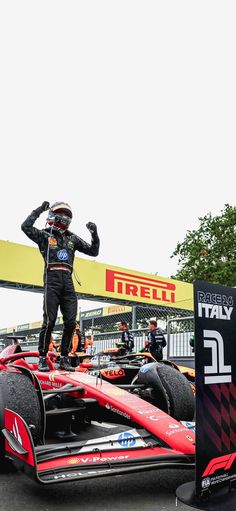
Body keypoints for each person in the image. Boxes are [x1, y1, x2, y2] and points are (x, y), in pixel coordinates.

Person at [21, 201, 100, 372]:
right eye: (61, 213)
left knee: (71, 322)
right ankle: (42, 357)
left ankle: (64, 357)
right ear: (52, 215)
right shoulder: (44, 235)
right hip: (52, 279)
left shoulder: (72, 238)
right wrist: (40, 209)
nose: (64, 217)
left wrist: (94, 233)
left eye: (67, 214)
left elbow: (94, 251)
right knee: (49, 321)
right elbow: (25, 226)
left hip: (68, 282)